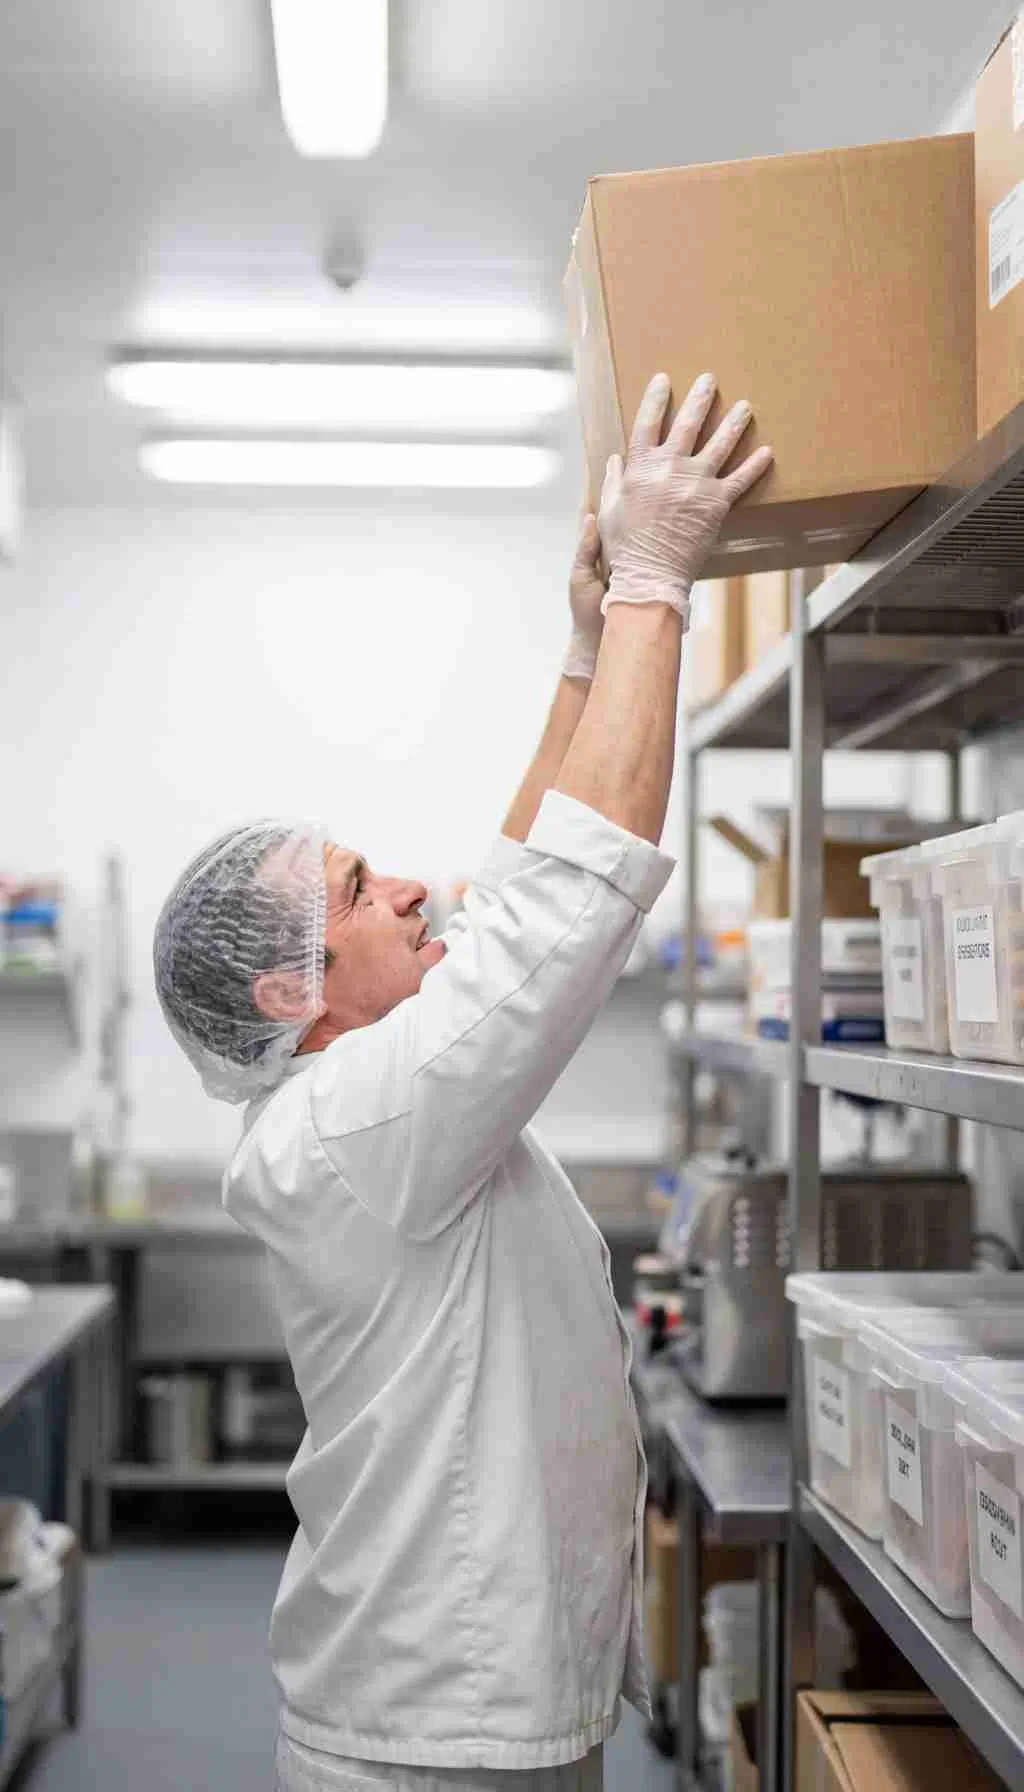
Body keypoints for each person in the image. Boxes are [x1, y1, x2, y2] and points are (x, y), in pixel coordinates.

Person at [153, 372, 771, 1792]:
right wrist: (656, 591)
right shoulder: (357, 1125)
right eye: (365, 890)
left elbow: (501, 909)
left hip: (457, 1703)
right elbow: (558, 914)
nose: (416, 886)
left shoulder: (358, 1092)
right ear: (288, 990)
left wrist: (578, 655)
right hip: (436, 1731)